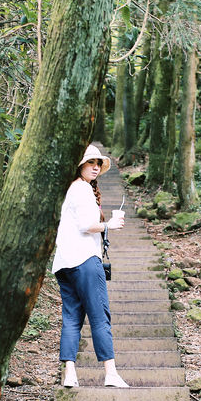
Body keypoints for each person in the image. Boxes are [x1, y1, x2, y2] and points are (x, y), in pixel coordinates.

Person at [52, 144, 129, 388]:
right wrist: (110, 225)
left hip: (64, 263)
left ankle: (70, 374)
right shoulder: (82, 189)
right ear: (80, 166)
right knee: (99, 316)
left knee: (72, 318)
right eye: (90, 163)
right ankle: (111, 373)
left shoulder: (70, 190)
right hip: (85, 260)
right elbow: (87, 225)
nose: (95, 167)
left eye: (98, 164)